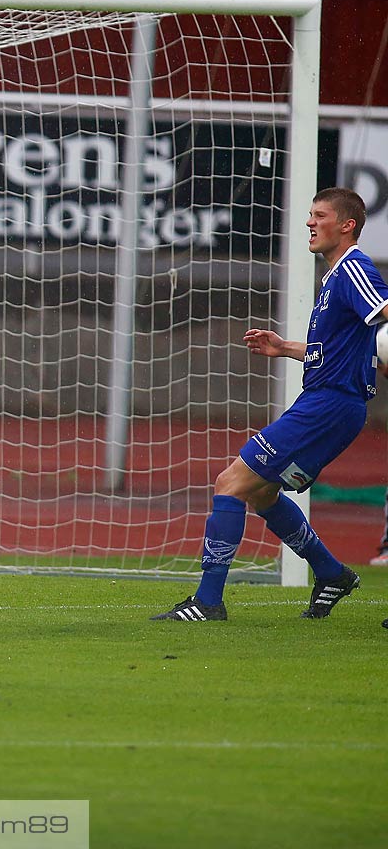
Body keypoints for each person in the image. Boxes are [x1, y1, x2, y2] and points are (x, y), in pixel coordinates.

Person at [153, 187, 387, 621]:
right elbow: (339, 350)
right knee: (262, 492)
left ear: (347, 224)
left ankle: (207, 602)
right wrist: (286, 348)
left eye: (319, 215)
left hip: (328, 406)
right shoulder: (335, 277)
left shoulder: (354, 268)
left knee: (231, 483)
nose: (309, 223)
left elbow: (385, 312)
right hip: (332, 404)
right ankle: (330, 572)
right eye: (310, 215)